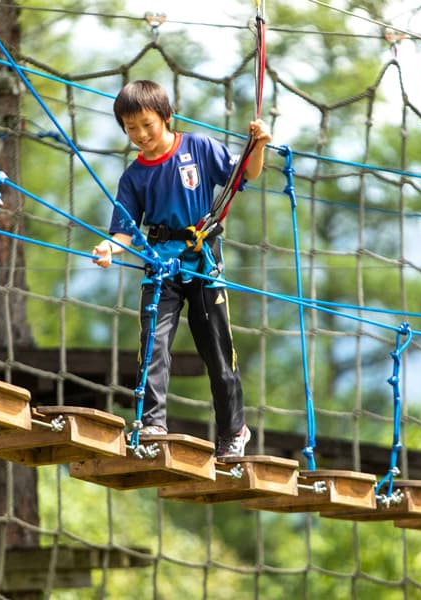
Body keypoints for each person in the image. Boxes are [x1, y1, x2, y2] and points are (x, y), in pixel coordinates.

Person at [92, 80, 271, 458]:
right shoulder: (134, 177)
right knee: (153, 345)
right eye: (131, 129)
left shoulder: (199, 148)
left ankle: (233, 430)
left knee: (218, 351)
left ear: (167, 118)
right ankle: (153, 422)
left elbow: (246, 175)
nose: (140, 135)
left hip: (203, 262)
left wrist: (259, 145)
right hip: (161, 266)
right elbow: (123, 231)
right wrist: (108, 249)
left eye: (147, 125)